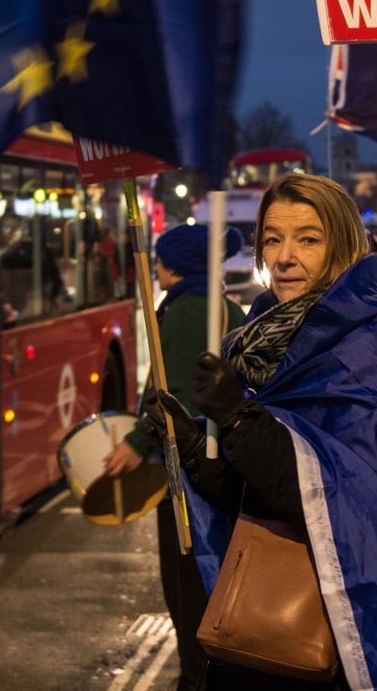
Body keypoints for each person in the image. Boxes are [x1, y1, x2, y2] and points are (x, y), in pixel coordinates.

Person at [142, 175, 377, 689]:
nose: (284, 257)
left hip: (350, 632)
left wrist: (238, 419)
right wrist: (191, 445)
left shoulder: (376, 345)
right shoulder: (253, 339)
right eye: (272, 239)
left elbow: (343, 503)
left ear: (341, 247)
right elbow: (250, 497)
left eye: (308, 239)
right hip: (262, 621)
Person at [105, 224, 244, 691]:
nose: (157, 270)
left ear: (175, 266)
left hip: (187, 476)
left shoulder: (185, 311)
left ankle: (195, 679)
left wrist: (138, 443)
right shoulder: (223, 306)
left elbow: (175, 394)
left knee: (187, 588)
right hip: (219, 467)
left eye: (161, 261)